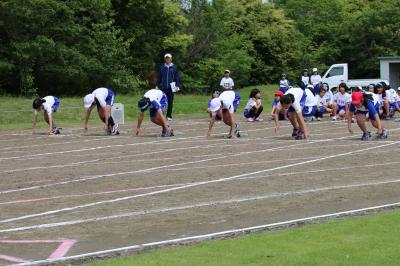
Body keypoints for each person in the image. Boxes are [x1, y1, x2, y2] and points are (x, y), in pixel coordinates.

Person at [156, 53, 181, 121]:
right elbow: (159, 77)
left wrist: (177, 86)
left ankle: (169, 115)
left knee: (170, 102)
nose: (167, 59)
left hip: (171, 87)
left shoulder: (174, 67)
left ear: (171, 59)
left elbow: (177, 77)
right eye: (166, 58)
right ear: (164, 59)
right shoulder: (162, 67)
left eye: (169, 58)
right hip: (163, 87)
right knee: (162, 102)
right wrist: (157, 85)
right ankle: (161, 115)